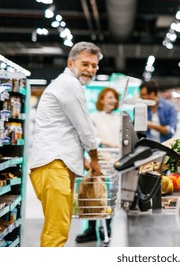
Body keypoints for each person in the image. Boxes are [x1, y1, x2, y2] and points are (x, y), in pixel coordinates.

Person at [29, 41, 103, 247]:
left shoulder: (66, 84)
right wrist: (95, 159)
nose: (90, 69)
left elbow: (67, 130)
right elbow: (85, 128)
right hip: (54, 166)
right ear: (71, 63)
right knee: (56, 233)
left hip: (55, 165)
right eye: (85, 64)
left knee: (58, 228)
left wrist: (84, 159)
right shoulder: (69, 84)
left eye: (94, 66)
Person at [75, 87, 120, 243]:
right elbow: (94, 138)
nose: (112, 100)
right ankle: (91, 229)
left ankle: (106, 227)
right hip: (99, 160)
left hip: (115, 161)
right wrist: (111, 143)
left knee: (110, 197)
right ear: (101, 100)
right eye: (109, 97)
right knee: (94, 195)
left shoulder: (120, 117)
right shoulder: (94, 117)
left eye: (114, 97)